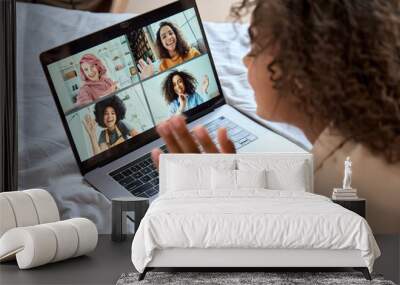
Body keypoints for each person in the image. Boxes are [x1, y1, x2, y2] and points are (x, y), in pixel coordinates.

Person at [150, 0, 400, 234]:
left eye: (256, 48)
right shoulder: (370, 130)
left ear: (301, 73)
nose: (245, 59)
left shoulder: (335, 194)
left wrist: (218, 205)